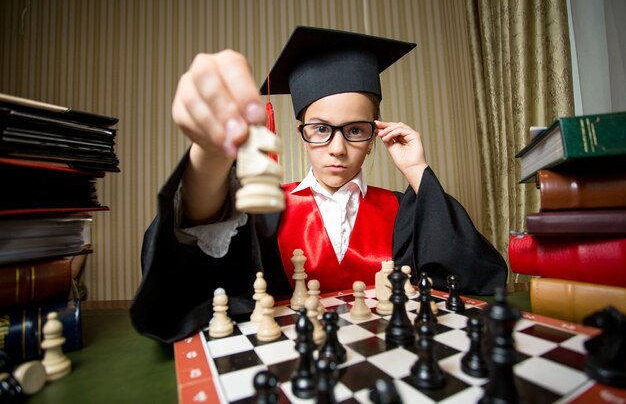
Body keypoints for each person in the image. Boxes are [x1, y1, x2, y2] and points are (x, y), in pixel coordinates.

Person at [130, 26, 507, 343]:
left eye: (356, 131)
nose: (338, 149)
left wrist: (418, 170)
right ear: (301, 133)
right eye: (322, 130)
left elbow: (474, 278)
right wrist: (209, 160)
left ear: (375, 136)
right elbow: (189, 276)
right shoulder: (264, 209)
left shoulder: (401, 210)